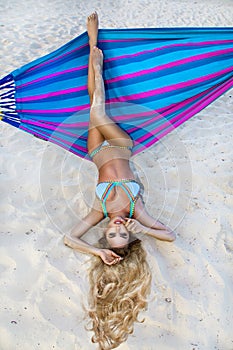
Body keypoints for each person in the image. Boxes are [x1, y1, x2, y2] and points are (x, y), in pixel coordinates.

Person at [63, 12, 176, 349]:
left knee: (92, 103)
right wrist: (143, 229)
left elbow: (70, 239)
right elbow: (169, 235)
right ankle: (95, 53)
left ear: (105, 234)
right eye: (121, 233)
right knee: (98, 109)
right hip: (122, 145)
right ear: (127, 232)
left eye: (110, 235)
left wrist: (97, 254)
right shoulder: (134, 209)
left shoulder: (99, 210)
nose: (116, 228)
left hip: (96, 150)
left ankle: (93, 50)